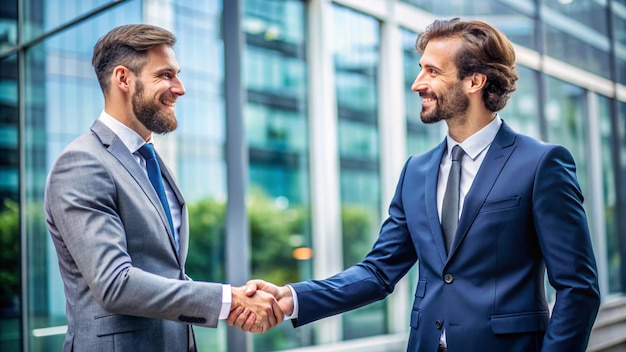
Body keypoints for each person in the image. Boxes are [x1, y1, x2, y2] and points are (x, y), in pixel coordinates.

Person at [236, 18, 601, 351]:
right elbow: (378, 271)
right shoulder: (416, 171)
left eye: (432, 71)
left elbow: (578, 288)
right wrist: (291, 298)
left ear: (474, 81)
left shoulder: (541, 164)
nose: (417, 84)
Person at [44, 24, 282, 352]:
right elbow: (115, 283)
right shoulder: (82, 163)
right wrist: (228, 300)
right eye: (166, 75)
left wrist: (235, 300)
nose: (180, 88)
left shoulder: (151, 162)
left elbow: (165, 272)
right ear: (123, 79)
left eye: (177, 74)